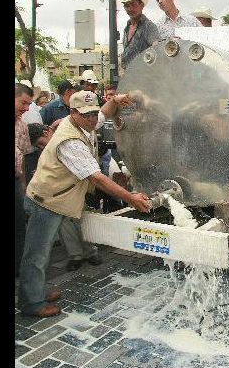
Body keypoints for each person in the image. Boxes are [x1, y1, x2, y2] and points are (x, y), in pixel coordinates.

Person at [19, 90, 152, 317]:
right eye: (86, 115)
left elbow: (103, 114)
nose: (92, 119)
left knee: (43, 252)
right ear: (73, 112)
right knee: (37, 254)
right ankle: (31, 303)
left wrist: (114, 100)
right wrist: (131, 198)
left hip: (59, 198)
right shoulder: (70, 141)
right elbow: (96, 178)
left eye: (92, 113)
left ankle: (35, 291)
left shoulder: (83, 122)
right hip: (47, 201)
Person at [15, 83, 35, 276]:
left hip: (15, 182)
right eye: (23, 103)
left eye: (29, 104)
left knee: (20, 225)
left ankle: (19, 270)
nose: (27, 108)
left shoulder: (22, 125)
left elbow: (22, 157)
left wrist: (23, 184)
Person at [120, 0, 160, 69]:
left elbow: (156, 47)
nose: (130, 9)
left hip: (143, 73)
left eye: (133, 4)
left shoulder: (149, 26)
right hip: (128, 73)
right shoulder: (126, 28)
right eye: (127, 5)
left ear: (141, 5)